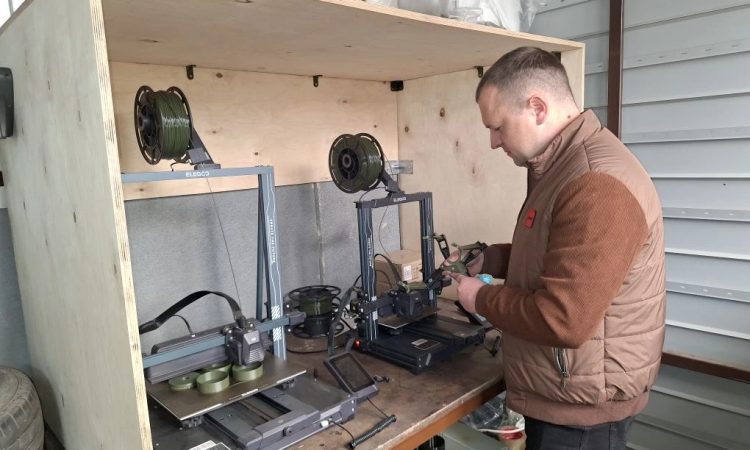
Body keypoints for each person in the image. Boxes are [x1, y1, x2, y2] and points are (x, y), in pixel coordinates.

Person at [448, 47, 666, 450]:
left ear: (537, 108)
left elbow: (564, 319)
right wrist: (492, 259)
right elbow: (559, 253)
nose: (493, 142)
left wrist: (480, 298)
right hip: (567, 391)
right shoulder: (560, 167)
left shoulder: (596, 184)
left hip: (581, 416)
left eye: (498, 127)